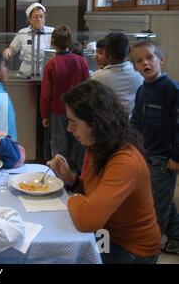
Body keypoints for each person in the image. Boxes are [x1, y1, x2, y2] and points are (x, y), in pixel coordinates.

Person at [47, 80, 161, 264]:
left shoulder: (125, 161)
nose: (69, 128)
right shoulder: (99, 145)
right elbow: (96, 192)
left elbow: (88, 220)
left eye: (73, 122)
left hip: (130, 249)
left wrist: (74, 198)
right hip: (108, 234)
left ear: (95, 123)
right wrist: (71, 180)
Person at [130, 40, 179, 255]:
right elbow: (136, 122)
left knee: (156, 206)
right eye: (139, 61)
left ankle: (149, 247)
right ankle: (176, 237)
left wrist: (176, 156)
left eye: (150, 57)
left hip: (164, 159)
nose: (145, 63)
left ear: (161, 59)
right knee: (162, 198)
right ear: (135, 67)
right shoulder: (142, 90)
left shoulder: (171, 90)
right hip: (145, 154)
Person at [40, 25, 89, 171]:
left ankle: (59, 175)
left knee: (59, 144)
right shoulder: (81, 61)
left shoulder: (51, 65)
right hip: (79, 111)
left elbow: (46, 93)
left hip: (58, 112)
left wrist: (44, 115)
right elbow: (87, 87)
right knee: (80, 143)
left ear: (52, 43)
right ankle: (81, 176)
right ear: (70, 42)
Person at [91, 32, 143, 115]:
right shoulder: (139, 73)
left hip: (109, 122)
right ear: (130, 49)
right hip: (132, 122)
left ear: (106, 54)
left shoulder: (97, 77)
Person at [2, 2, 54, 76]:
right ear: (29, 19)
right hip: (26, 71)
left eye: (41, 16)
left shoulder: (52, 32)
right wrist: (8, 51)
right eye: (36, 17)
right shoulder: (23, 32)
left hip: (45, 70)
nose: (39, 19)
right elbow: (12, 49)